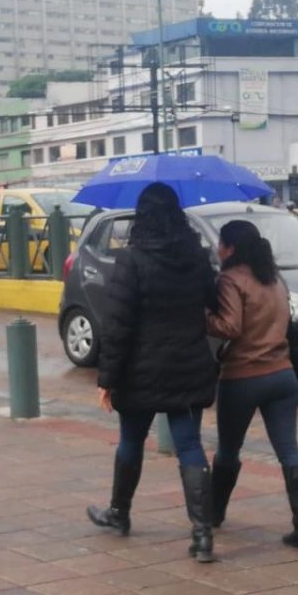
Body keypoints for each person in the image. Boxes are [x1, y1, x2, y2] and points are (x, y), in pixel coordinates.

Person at [86, 182, 219, 563]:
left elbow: (118, 325)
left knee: (131, 441)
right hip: (188, 367)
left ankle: (119, 513)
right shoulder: (195, 256)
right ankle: (202, 534)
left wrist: (107, 379)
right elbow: (211, 300)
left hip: (139, 372)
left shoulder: (132, 260)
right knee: (190, 446)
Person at [207, 220, 298, 550]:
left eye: (221, 245)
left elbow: (229, 326)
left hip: (243, 378)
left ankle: (214, 515)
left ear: (230, 248)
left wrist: (203, 317)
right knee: (290, 451)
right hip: (283, 376)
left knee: (228, 450)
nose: (217, 250)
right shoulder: (274, 278)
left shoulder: (230, 280)